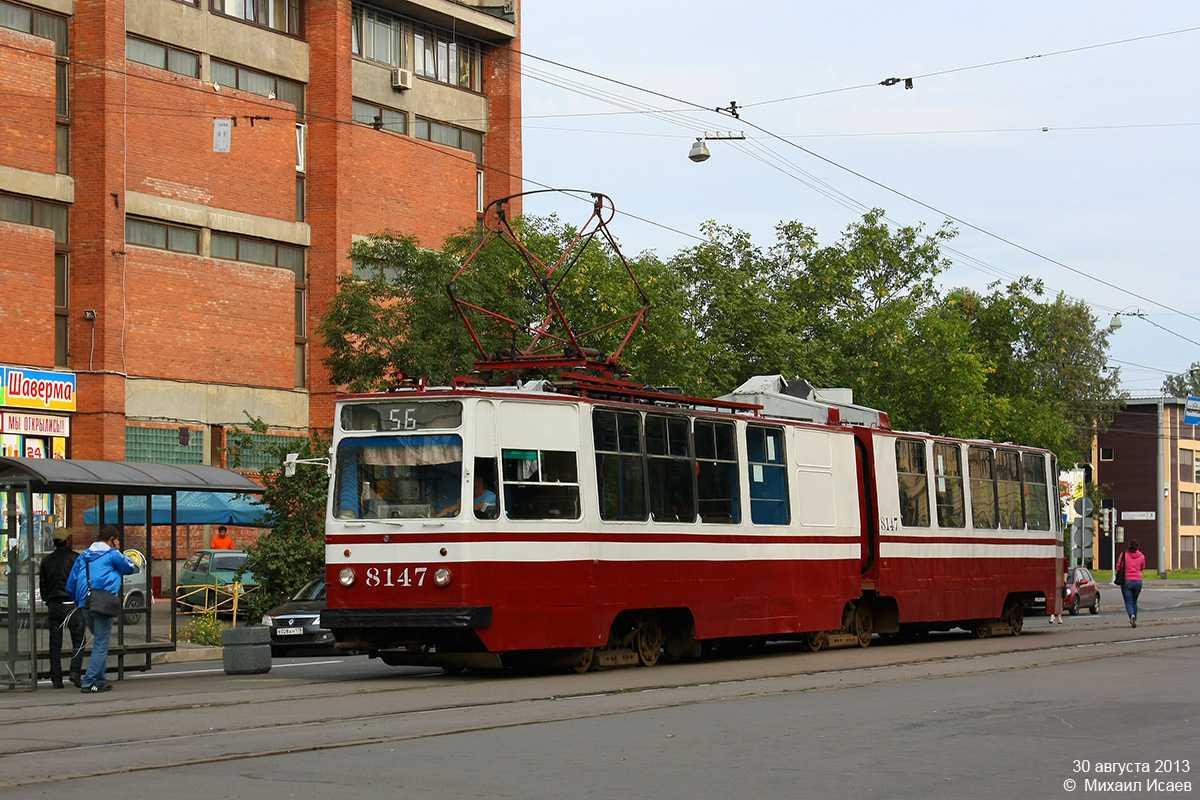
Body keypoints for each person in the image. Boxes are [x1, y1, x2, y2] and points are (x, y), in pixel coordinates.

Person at [65, 526, 137, 693]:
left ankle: (100, 680)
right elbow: (130, 567)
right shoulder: (112, 554)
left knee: (99, 640)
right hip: (103, 602)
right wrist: (118, 551)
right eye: (117, 540)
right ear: (112, 539)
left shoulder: (84, 556)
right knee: (101, 643)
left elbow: (70, 584)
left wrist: (77, 601)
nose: (118, 542)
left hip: (85, 604)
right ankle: (89, 681)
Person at [38, 526, 85, 688]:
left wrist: (48, 601)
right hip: (72, 605)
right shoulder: (75, 558)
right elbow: (81, 582)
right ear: (67, 541)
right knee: (78, 640)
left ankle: (56, 679)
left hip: (54, 605)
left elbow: (43, 586)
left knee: (54, 643)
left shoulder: (46, 561)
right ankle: (74, 671)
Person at [1118, 539, 1146, 628]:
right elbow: (1142, 567)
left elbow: (1118, 567)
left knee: (1128, 602)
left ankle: (1132, 616)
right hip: (1138, 581)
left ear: (1129, 545)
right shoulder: (1141, 556)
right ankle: (1135, 619)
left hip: (1127, 581)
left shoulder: (1124, 555)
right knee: (1134, 601)